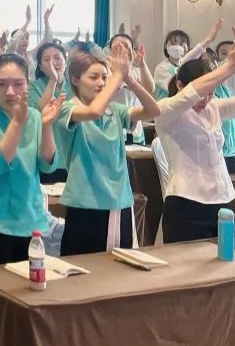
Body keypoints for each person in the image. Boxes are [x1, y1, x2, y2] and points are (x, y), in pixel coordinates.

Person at [155, 25, 235, 243]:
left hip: (223, 199)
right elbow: (191, 94)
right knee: (186, 262)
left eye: (211, 94)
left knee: (227, 258)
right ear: (179, 85)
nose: (206, 100)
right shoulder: (167, 109)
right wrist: (231, 65)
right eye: (204, 93)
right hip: (185, 202)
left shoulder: (214, 107)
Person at [56, 46, 162, 255]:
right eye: (93, 77)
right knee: (84, 266)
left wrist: (129, 78)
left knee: (119, 267)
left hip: (120, 200)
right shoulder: (67, 108)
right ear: (75, 79)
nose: (101, 83)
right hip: (86, 202)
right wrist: (117, 76)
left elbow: (154, 110)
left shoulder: (115, 110)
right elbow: (93, 111)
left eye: (105, 77)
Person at [0, 53, 63, 267]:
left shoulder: (35, 116)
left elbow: (47, 165)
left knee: (30, 286)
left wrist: (47, 125)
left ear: (28, 84)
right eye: (2, 84)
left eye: (18, 84)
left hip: (31, 223)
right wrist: (17, 123)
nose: (10, 92)